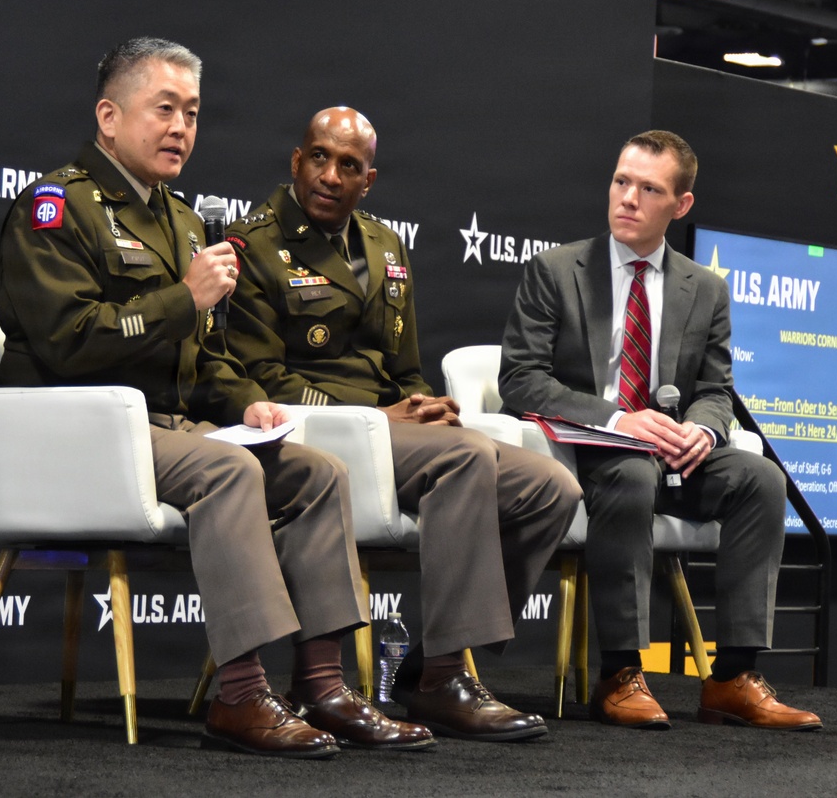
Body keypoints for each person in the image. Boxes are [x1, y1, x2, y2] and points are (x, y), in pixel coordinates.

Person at [0, 39, 436, 758]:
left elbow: (205, 359)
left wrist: (248, 402)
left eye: (192, 114)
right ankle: (241, 695)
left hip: (168, 426)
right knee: (228, 472)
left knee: (316, 471)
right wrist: (182, 297)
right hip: (80, 427)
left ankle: (323, 685)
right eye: (163, 109)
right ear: (109, 116)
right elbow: (68, 341)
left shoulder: (182, 219)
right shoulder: (56, 207)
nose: (181, 129)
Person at [223, 106, 582, 742]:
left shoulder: (385, 244)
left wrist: (425, 403)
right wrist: (370, 416)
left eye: (349, 166)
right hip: (314, 429)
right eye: (319, 157)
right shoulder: (254, 244)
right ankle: (446, 681)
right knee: (466, 459)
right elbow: (259, 380)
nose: (331, 175)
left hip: (390, 428)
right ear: (296, 161)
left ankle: (427, 664)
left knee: (552, 487)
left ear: (370, 179)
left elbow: (404, 368)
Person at [498, 130, 822, 731]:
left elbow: (715, 389)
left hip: (673, 452)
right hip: (590, 453)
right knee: (631, 470)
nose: (628, 198)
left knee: (761, 480)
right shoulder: (557, 269)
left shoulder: (706, 288)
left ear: (681, 204)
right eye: (622, 181)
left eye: (649, 189)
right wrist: (619, 419)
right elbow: (521, 380)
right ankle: (621, 674)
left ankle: (731, 678)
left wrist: (703, 430)